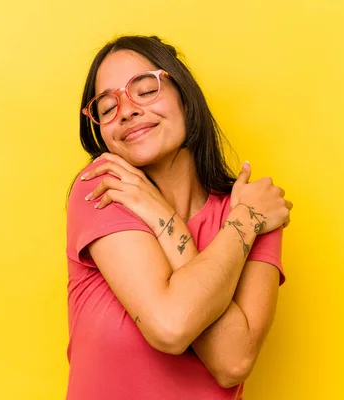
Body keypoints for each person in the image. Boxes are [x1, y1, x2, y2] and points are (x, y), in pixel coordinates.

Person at [65, 35, 293, 399]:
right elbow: (170, 326)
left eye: (145, 89)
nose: (125, 110)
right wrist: (244, 224)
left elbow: (232, 361)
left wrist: (163, 216)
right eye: (107, 108)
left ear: (184, 97)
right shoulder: (104, 189)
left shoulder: (250, 209)